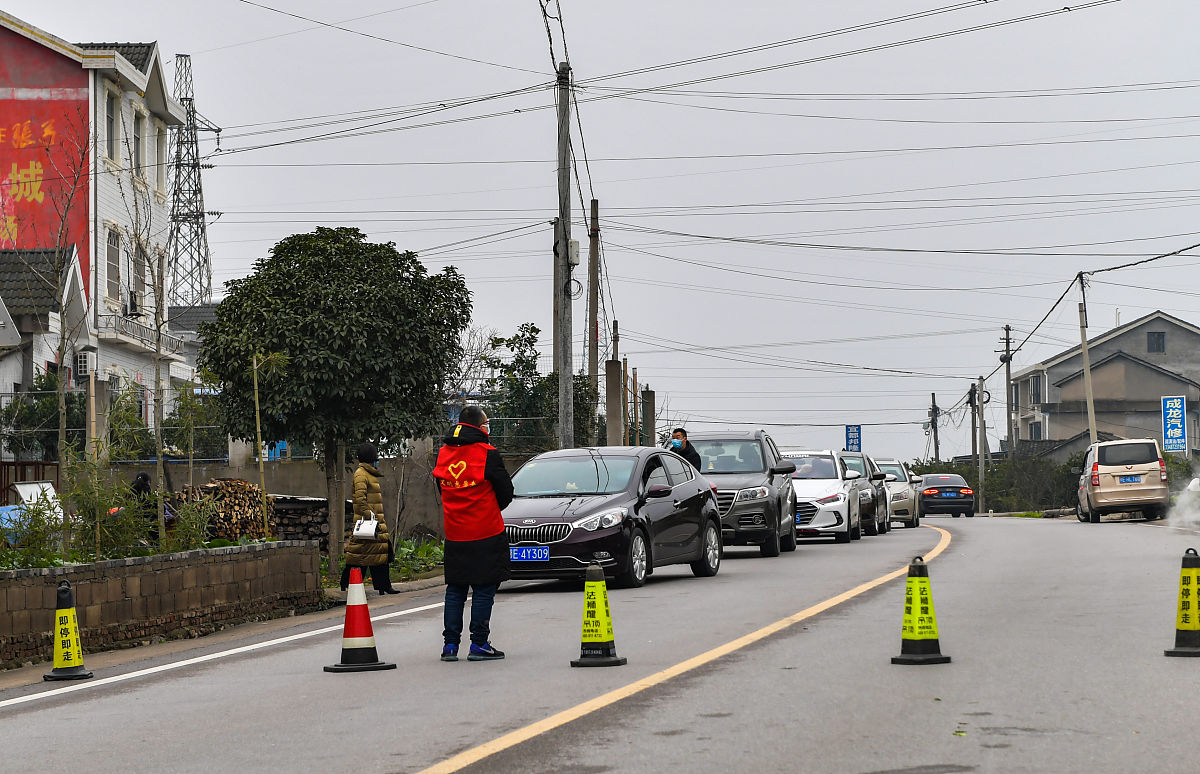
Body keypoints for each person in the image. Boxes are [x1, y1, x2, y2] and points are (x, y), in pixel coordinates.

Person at [431, 405, 513, 662]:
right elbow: (506, 492)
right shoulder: (487, 454)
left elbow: (442, 489)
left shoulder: (443, 454)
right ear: (479, 427)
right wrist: (487, 507)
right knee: (484, 587)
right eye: (487, 423)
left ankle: (450, 646)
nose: (489, 427)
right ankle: (478, 643)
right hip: (486, 531)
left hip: (455, 533)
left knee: (455, 589)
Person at [341, 442, 398, 595]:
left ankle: (383, 585)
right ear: (371, 457)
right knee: (360, 555)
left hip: (374, 520)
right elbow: (360, 499)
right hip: (368, 522)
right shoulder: (361, 474)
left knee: (378, 552)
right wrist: (370, 515)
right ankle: (348, 583)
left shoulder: (369, 473)